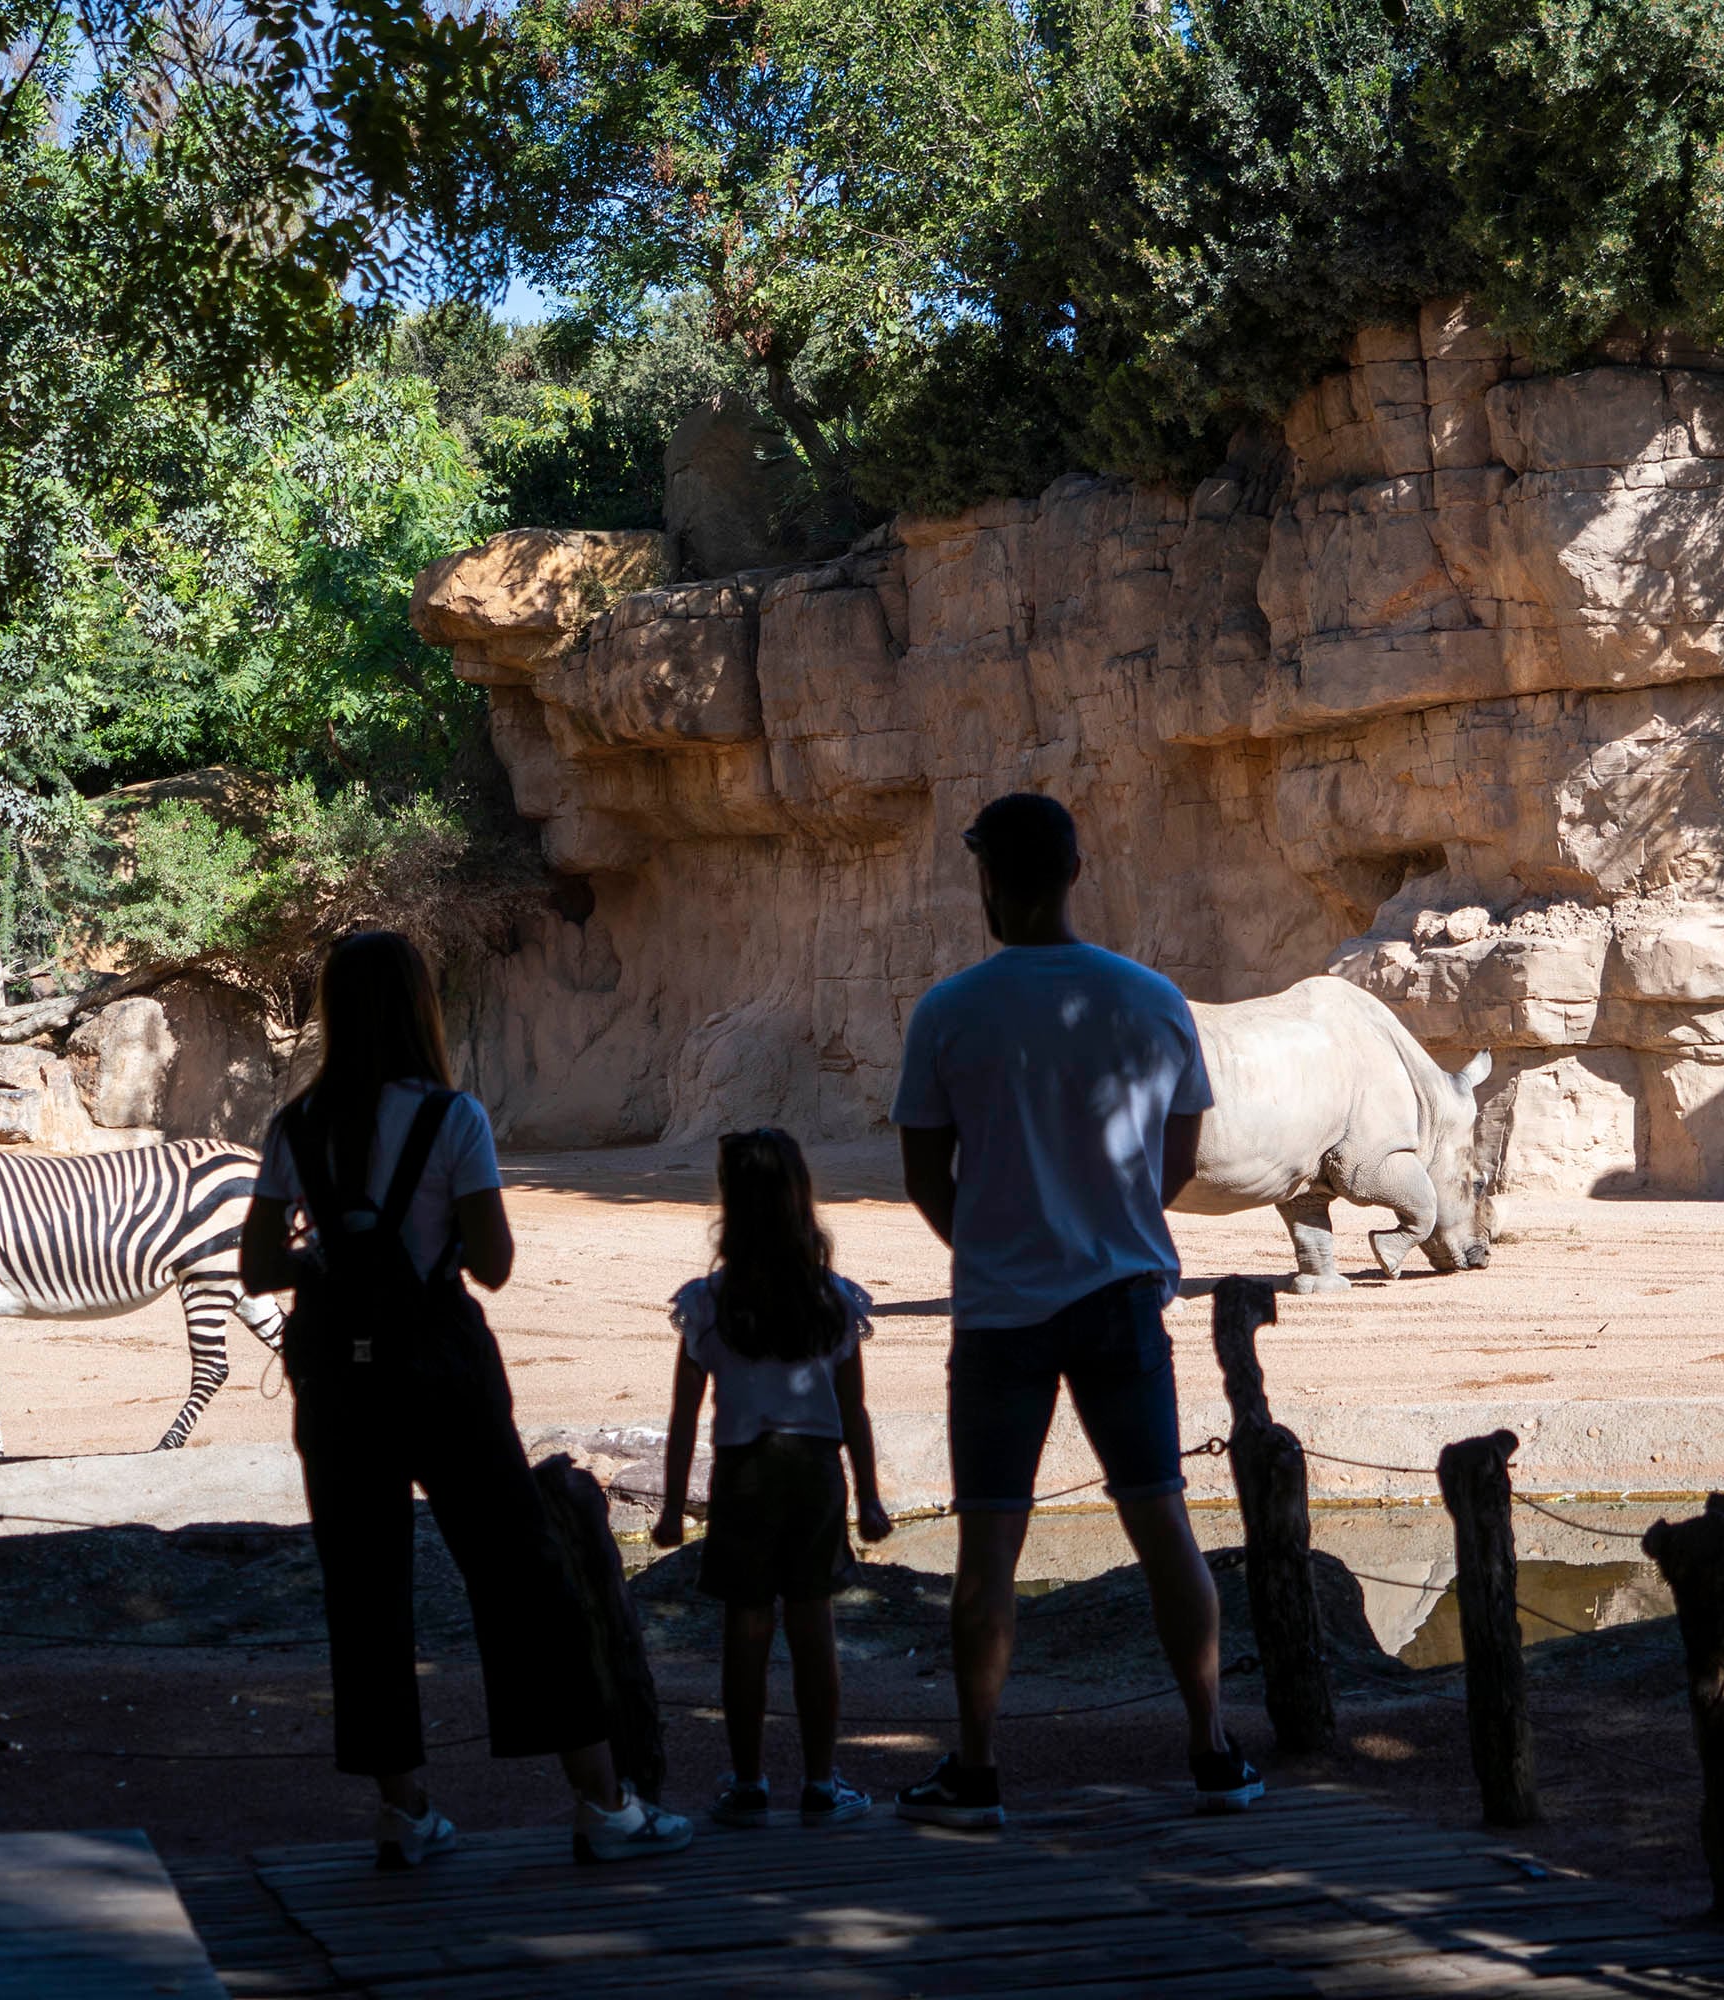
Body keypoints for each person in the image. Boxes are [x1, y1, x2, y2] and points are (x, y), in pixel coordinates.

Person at [238, 930, 692, 1869]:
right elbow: (492, 1265)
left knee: (364, 1593)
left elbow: (255, 1267)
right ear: (418, 1006)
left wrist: (328, 1253)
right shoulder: (453, 1119)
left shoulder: (297, 1124)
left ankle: (404, 1814)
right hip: (441, 1365)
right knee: (519, 1576)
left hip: (335, 1376)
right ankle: (600, 1805)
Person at [887, 792, 1259, 1829]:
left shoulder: (950, 1009)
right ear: (1076, 870)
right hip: (1125, 1294)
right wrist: (1116, 1218)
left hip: (1003, 1309)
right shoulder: (1150, 999)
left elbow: (925, 1171)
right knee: (1162, 1523)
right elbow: (1182, 1151)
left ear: (986, 877)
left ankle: (975, 1767)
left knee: (988, 1547)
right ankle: (1213, 1748)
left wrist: (1000, 1237)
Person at [651, 1129, 892, 1830]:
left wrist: (673, 1509)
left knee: (746, 1628)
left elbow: (684, 1417)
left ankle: (750, 1781)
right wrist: (869, 1496)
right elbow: (854, 1411)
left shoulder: (708, 1303)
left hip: (744, 1472)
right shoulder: (835, 1300)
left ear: (730, 1204)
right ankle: (821, 1781)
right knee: (813, 1624)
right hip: (816, 1471)